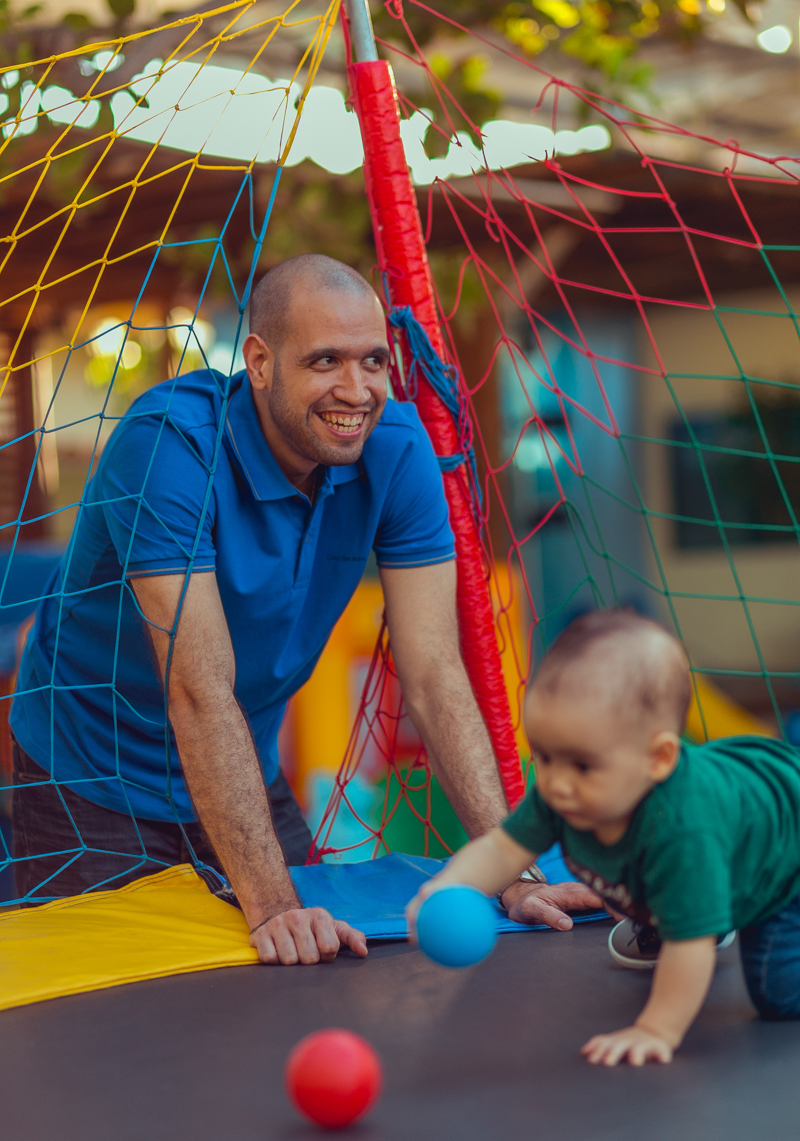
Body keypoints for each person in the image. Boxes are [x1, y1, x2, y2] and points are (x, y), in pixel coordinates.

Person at [10, 254, 602, 964]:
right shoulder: (167, 448)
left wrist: (508, 866)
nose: (356, 390)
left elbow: (437, 673)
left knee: (309, 978)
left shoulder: (396, 449)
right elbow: (199, 692)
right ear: (258, 362)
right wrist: (273, 906)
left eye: (374, 361)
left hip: (241, 768)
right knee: (101, 1019)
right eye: (325, 360)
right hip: (91, 779)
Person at [406, 607, 800, 1066]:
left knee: (780, 995)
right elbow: (502, 847)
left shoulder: (684, 829)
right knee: (677, 890)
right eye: (545, 757)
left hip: (785, 841)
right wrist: (447, 886)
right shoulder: (567, 788)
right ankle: (699, 901)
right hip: (736, 811)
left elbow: (690, 948)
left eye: (582, 765)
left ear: (657, 760)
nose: (556, 782)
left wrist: (656, 1028)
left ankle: (716, 905)